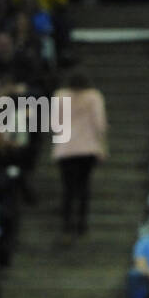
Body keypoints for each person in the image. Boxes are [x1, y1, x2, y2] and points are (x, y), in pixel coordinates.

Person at [51, 70, 107, 240]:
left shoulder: (60, 96)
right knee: (83, 187)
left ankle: (67, 223)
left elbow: (55, 123)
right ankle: (82, 223)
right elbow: (100, 123)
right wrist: (103, 146)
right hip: (87, 147)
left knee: (68, 188)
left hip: (66, 148)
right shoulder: (93, 96)